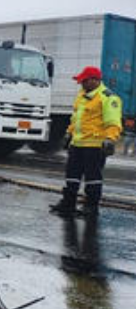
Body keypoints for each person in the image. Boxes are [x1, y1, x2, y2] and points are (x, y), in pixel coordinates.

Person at [49, 66, 122, 217]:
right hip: (78, 144)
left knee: (92, 177)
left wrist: (110, 139)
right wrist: (69, 134)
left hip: (95, 145)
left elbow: (113, 122)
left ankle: (91, 207)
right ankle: (68, 203)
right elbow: (75, 119)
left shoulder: (108, 98)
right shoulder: (82, 96)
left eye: (84, 81)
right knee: (72, 175)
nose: (81, 84)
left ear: (95, 80)